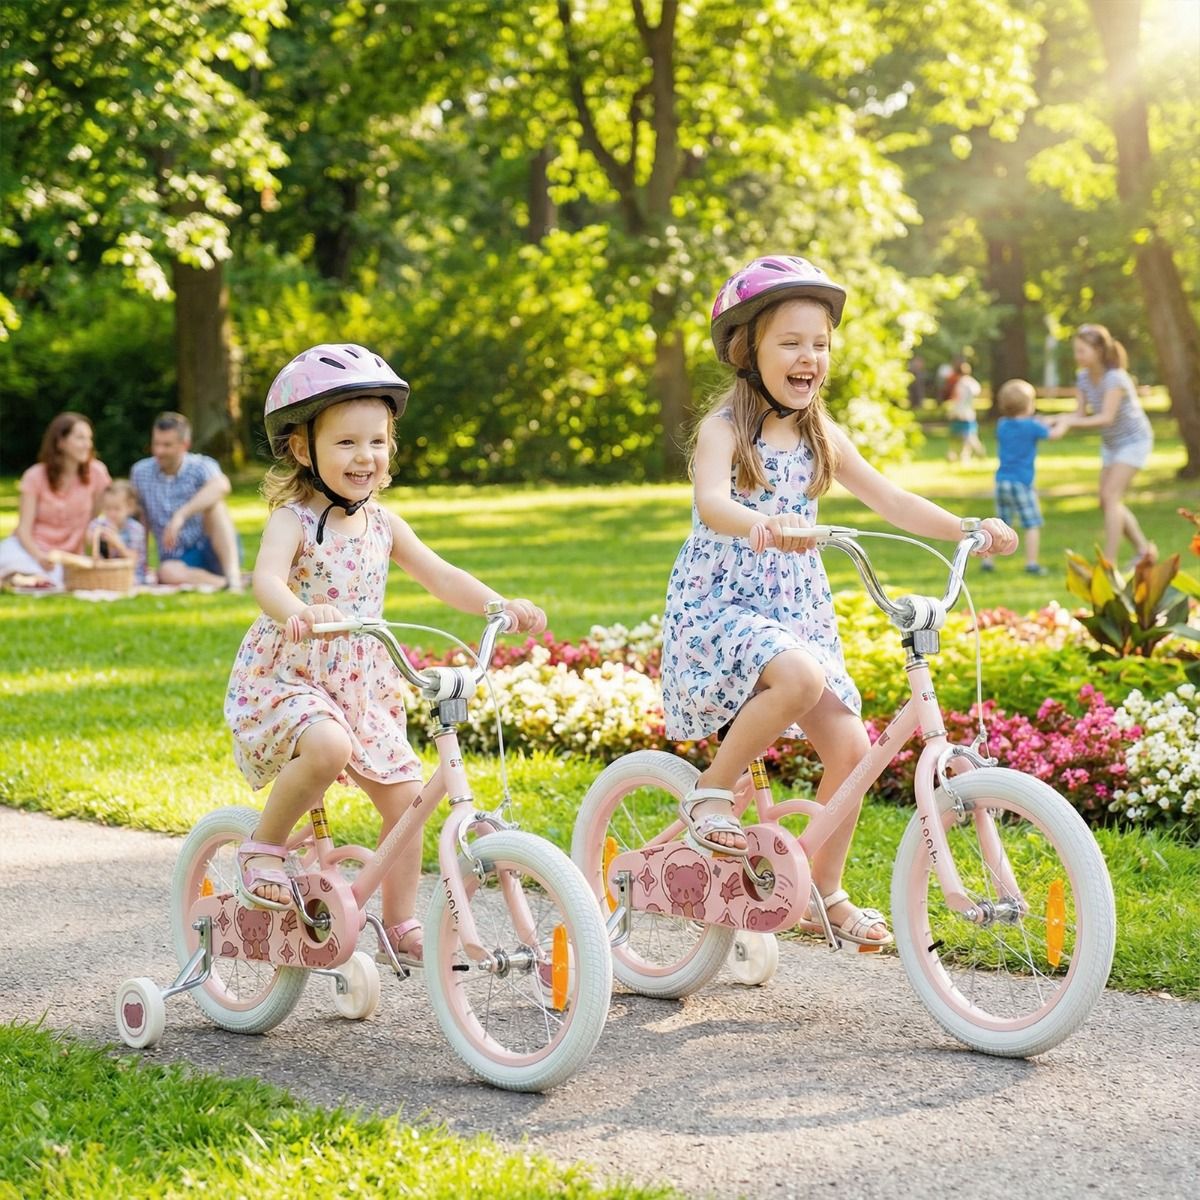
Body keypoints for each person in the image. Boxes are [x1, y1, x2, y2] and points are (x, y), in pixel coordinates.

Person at [660, 256, 1016, 947]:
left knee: (851, 746)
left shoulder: (822, 432)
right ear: (746, 350)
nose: (808, 357)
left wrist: (967, 528)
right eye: (790, 342)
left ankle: (824, 894)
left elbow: (892, 499)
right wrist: (758, 523)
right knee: (799, 677)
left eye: (819, 343)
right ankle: (711, 792)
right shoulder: (724, 429)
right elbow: (710, 501)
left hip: (794, 611)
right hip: (723, 605)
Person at [224, 343, 546, 967]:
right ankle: (262, 847)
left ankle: (399, 922)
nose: (364, 457)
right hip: (293, 672)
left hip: (362, 680)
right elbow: (265, 580)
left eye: (376, 441)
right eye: (346, 443)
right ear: (302, 449)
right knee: (328, 749)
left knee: (405, 800)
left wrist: (496, 605)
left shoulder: (384, 524)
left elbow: (438, 574)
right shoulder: (293, 520)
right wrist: (297, 612)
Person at [1057, 323, 1156, 569]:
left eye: (1082, 351)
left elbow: (1106, 417)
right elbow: (1079, 412)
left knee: (1111, 497)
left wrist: (1068, 424)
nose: (1077, 356)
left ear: (1099, 350)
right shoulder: (1082, 378)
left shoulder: (1115, 378)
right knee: (1106, 500)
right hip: (1112, 443)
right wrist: (1055, 420)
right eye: (1076, 350)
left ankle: (1107, 564)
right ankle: (1144, 552)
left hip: (1134, 440)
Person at [130, 412, 243, 591]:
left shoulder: (201, 466)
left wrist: (181, 515)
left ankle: (233, 575)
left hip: (212, 549)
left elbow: (222, 485)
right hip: (176, 560)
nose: (159, 451)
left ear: (185, 445)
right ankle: (224, 583)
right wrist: (139, 567)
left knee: (216, 506)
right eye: (156, 443)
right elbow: (140, 521)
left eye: (167, 445)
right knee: (166, 572)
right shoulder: (140, 472)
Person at [0, 412, 111, 589]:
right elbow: (23, 530)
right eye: (80, 438)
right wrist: (39, 556)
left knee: (61, 576)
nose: (87, 445)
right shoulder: (34, 476)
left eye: (89, 438)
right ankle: (25, 577)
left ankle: (26, 579)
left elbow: (94, 520)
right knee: (10, 559)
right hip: (32, 549)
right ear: (60, 442)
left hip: (69, 556)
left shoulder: (97, 473)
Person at [983, 379, 1065, 577]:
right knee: (1032, 523)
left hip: (1002, 481)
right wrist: (1064, 422)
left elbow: (1025, 424)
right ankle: (1032, 563)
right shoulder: (1031, 427)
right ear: (1029, 405)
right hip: (1022, 482)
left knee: (999, 525)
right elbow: (1053, 435)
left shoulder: (1002, 425)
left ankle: (987, 562)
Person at [86, 479, 148, 583]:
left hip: (130, 573)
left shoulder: (136, 529)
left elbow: (134, 560)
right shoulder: (100, 523)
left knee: (128, 581)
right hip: (105, 570)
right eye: (107, 508)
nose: (111, 513)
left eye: (117, 509)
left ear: (130, 507)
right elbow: (88, 540)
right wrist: (95, 537)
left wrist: (117, 544)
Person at [946, 360, 985, 461]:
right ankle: (968, 454)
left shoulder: (960, 383)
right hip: (968, 412)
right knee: (970, 434)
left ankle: (969, 453)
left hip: (959, 412)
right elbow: (977, 392)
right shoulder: (971, 382)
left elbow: (956, 398)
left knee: (959, 436)